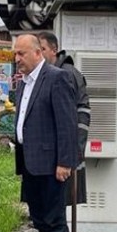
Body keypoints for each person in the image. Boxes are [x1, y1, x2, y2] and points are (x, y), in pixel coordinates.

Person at [13, 34, 78, 232]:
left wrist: (65, 161)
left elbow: (67, 123)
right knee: (40, 221)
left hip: (52, 166)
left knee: (54, 221)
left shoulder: (56, 78)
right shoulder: (22, 84)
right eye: (15, 54)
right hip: (31, 165)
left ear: (39, 52)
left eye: (21, 54)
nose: (17, 59)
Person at [37, 31, 91, 206]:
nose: (40, 53)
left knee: (57, 210)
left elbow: (82, 114)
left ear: (54, 50)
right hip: (49, 154)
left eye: (43, 49)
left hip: (65, 155)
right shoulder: (43, 74)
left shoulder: (67, 74)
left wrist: (75, 152)